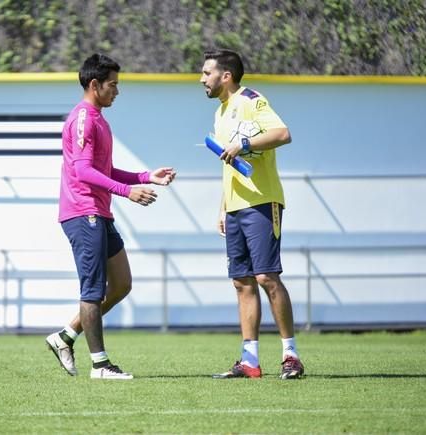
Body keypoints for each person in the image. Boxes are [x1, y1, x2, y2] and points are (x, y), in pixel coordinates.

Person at [45, 53, 176, 380]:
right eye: (113, 85)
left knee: (121, 284)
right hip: (83, 212)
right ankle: (100, 366)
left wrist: (146, 177)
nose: (117, 91)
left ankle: (65, 336)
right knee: (93, 291)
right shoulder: (83, 119)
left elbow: (103, 169)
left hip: (99, 213)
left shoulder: (99, 118)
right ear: (94, 84)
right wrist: (127, 192)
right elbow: (83, 170)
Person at [199, 49, 304, 379]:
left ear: (225, 76)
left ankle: (291, 356)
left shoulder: (251, 100)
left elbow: (283, 134)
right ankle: (249, 361)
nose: (201, 79)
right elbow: (229, 167)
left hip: (262, 202)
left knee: (266, 277)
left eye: (206, 73)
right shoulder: (220, 112)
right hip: (235, 207)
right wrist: (222, 207)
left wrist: (244, 143)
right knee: (242, 282)